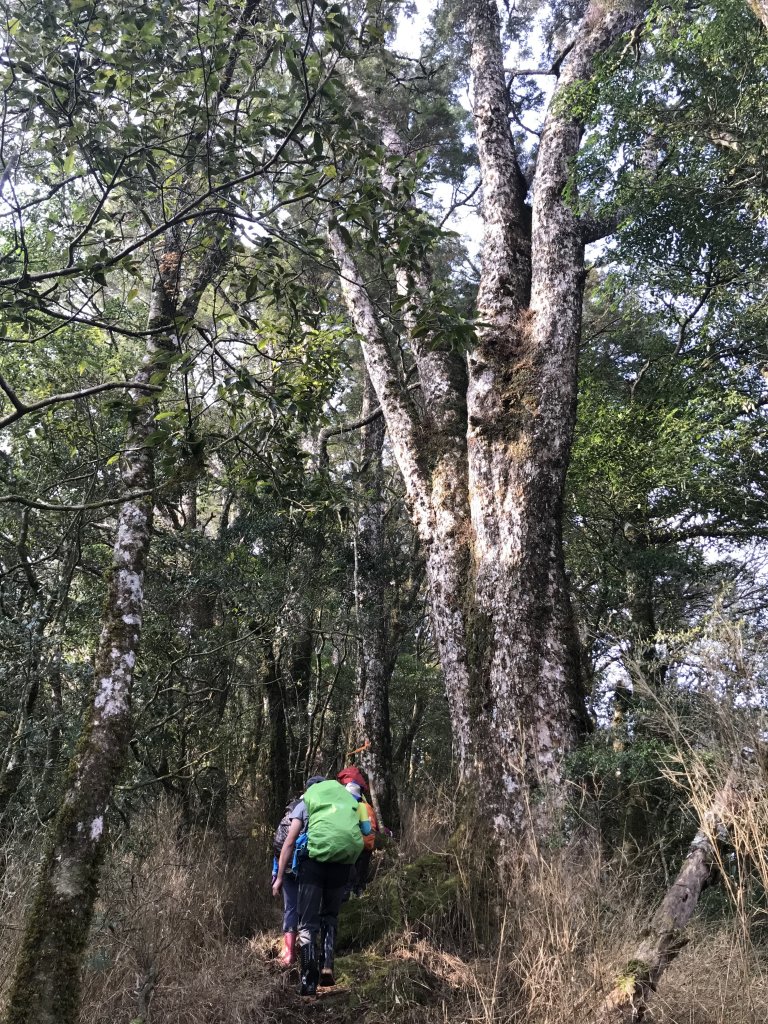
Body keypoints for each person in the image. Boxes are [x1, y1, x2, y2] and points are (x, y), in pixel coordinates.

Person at [272, 775, 371, 996]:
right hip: (341, 865)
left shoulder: (304, 804)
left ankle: (309, 980)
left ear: (309, 790)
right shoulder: (346, 802)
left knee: (307, 922)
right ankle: (327, 965)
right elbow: (363, 832)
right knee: (330, 916)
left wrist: (279, 877)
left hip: (313, 865)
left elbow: (288, 842)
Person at [337, 765, 378, 896]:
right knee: (359, 874)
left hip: (349, 845)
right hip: (364, 845)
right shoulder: (364, 806)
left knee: (348, 874)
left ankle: (348, 896)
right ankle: (357, 893)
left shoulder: (341, 805)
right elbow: (368, 829)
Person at [271, 796, 302, 966]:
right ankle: (306, 950)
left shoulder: (283, 823)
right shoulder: (307, 819)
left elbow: (277, 851)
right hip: (304, 870)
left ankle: (289, 953)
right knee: (306, 908)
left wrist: (276, 875)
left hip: (286, 870)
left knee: (290, 908)